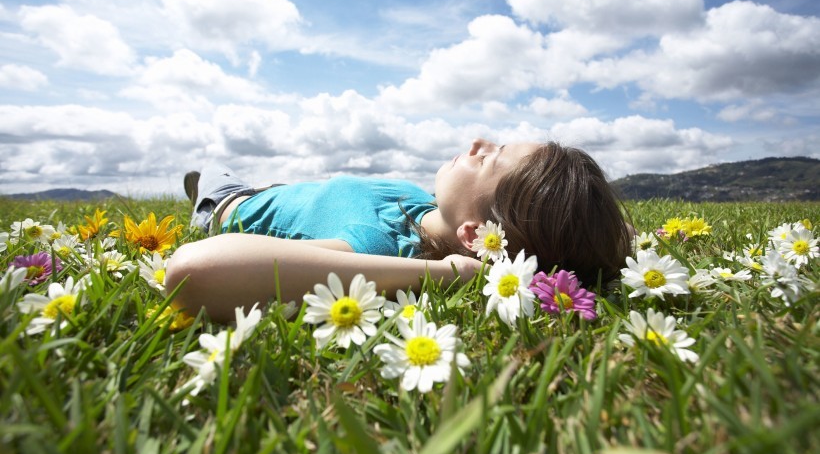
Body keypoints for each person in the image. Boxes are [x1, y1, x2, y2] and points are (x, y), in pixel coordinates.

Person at [165, 139, 632, 322]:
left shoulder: (374, 244)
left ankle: (200, 194)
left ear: (474, 236)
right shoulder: (429, 207)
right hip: (279, 190)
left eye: (489, 159)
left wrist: (448, 274)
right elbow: (608, 231)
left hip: (230, 204)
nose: (478, 143)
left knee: (211, 171)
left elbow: (194, 272)